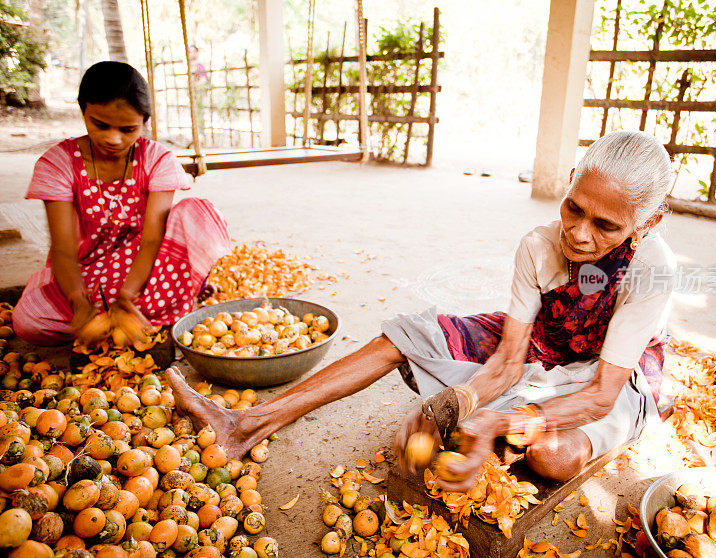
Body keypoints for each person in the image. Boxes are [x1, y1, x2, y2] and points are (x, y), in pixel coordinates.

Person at [167, 130, 675, 491]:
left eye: (606, 225)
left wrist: (495, 424)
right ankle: (249, 423)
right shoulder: (538, 245)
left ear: (646, 223)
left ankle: (649, 409)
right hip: (544, 340)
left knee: (550, 456)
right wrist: (456, 404)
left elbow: (601, 394)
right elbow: (508, 359)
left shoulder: (653, 269)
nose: (580, 233)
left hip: (610, 369)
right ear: (568, 183)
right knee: (404, 336)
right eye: (574, 208)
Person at [13, 61, 230, 346]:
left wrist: (127, 296)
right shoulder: (58, 163)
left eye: (128, 129)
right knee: (28, 321)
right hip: (85, 275)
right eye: (100, 124)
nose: (113, 139)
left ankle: (138, 313)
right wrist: (79, 303)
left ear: (144, 122)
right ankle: (157, 315)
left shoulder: (157, 159)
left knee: (196, 213)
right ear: (83, 111)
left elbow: (153, 240)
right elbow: (64, 249)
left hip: (145, 270)